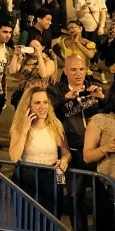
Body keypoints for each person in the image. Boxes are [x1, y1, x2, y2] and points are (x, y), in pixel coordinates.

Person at [49, 55, 107, 231]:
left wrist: (102, 98)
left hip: (97, 150)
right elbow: (46, 109)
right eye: (73, 70)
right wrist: (64, 99)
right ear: (65, 71)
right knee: (75, 196)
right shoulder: (56, 91)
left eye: (81, 69)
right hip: (74, 152)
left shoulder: (94, 85)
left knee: (102, 195)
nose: (78, 73)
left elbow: (109, 110)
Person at [8, 85, 72, 218]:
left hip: (51, 178)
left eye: (45, 102)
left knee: (51, 220)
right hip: (27, 178)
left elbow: (66, 152)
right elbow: (14, 157)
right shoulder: (19, 127)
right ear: (28, 105)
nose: (42, 107)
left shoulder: (56, 125)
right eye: (37, 103)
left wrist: (65, 160)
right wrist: (25, 129)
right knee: (28, 220)